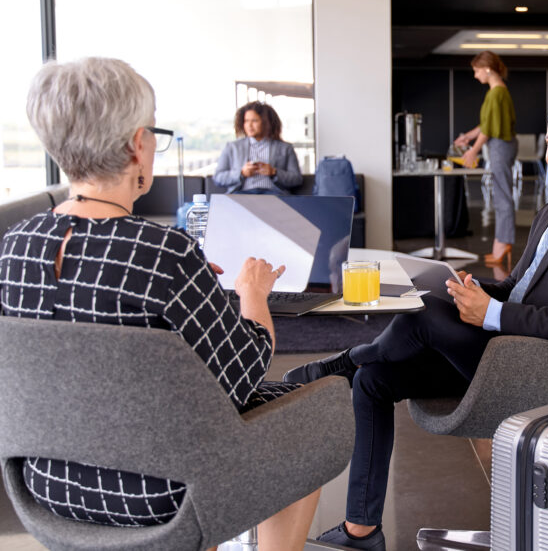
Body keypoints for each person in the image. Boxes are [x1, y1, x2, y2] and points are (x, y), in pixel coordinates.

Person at [284, 89, 548, 550]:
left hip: (544, 366)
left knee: (424, 314)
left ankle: (345, 362)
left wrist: (492, 312)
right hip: (503, 352)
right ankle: (361, 530)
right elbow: (518, 286)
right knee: (375, 379)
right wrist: (469, 288)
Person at [0, 58, 319, 551]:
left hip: (44, 484)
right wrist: (252, 292)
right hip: (161, 495)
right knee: (308, 419)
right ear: (136, 144)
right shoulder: (164, 252)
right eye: (153, 132)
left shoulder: (14, 246)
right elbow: (246, 369)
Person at [454, 50, 518, 266]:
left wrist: (473, 150)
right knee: (500, 194)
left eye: (477, 70)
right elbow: (486, 124)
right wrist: (468, 137)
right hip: (502, 145)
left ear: (487, 68)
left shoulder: (496, 93)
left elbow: (489, 129)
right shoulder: (498, 91)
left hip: (500, 146)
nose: (475, 75)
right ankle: (501, 242)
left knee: (502, 195)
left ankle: (503, 243)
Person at [214, 101, 302, 194]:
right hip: (241, 194)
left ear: (266, 123)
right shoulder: (232, 147)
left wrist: (274, 172)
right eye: (246, 121)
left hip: (274, 194)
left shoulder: (285, 148)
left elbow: (297, 179)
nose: (249, 125)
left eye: (254, 121)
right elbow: (218, 178)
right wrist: (241, 173)